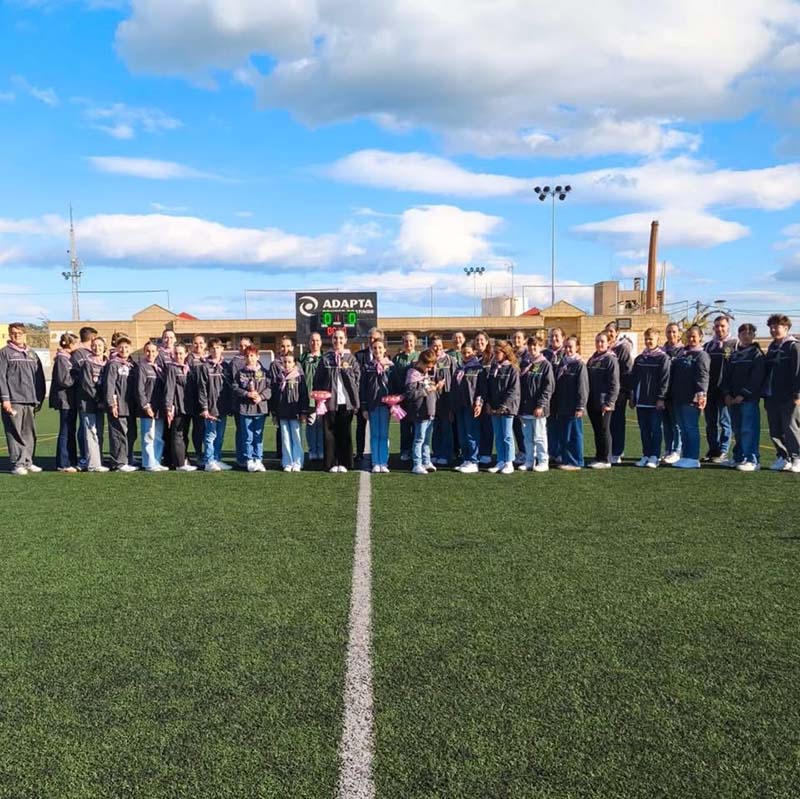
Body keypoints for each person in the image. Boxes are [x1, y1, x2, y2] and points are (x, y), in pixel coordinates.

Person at [0, 322, 46, 475]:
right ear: (9, 334)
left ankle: (28, 461)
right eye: (13, 333)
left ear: (24, 334)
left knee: (29, 432)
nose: (16, 335)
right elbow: (1, 377)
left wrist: (39, 398)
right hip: (14, 400)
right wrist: (5, 399)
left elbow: (39, 378)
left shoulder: (32, 354)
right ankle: (17, 464)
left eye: (19, 333)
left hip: (30, 400)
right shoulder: (5, 353)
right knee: (15, 432)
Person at [313, 328, 361, 472]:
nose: (338, 341)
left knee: (345, 433)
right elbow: (318, 380)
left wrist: (345, 370)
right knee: (329, 434)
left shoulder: (351, 359)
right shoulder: (325, 359)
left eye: (340, 338)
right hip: (329, 402)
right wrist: (320, 397)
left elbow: (357, 379)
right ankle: (331, 463)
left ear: (345, 340)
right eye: (335, 338)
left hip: (346, 402)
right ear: (332, 340)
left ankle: (345, 463)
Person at [721, 323, 765, 472]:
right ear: (739, 335)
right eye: (744, 333)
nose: (747, 336)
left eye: (750, 333)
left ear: (754, 336)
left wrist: (743, 394)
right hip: (733, 399)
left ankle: (752, 459)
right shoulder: (734, 355)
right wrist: (727, 394)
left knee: (748, 429)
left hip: (748, 400)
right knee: (737, 430)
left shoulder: (756, 354)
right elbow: (726, 376)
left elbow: (756, 378)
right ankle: (738, 457)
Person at [667, 325, 710, 469]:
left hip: (691, 398)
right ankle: (686, 456)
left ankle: (693, 457)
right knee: (683, 429)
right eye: (689, 336)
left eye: (694, 336)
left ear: (700, 337)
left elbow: (703, 376)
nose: (691, 339)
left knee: (691, 428)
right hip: (678, 397)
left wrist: (702, 394)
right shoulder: (682, 353)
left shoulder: (702, 355)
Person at [763, 314, 800, 472]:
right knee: (775, 429)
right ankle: (783, 457)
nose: (773, 330)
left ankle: (797, 457)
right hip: (772, 395)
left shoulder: (793, 346)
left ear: (786, 328)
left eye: (776, 326)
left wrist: (797, 393)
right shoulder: (772, 347)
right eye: (771, 327)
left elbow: (798, 371)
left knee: (791, 426)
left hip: (789, 395)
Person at [630, 328, 670, 468]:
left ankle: (655, 456)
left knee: (655, 429)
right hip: (641, 401)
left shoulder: (663, 358)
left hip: (655, 401)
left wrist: (661, 398)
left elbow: (665, 380)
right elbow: (634, 379)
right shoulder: (640, 359)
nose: (648, 341)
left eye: (651, 339)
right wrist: (632, 396)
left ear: (657, 339)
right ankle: (646, 455)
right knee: (644, 430)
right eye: (646, 339)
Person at [702, 315, 737, 463]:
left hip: (725, 391)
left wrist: (730, 390)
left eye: (722, 326)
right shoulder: (708, 346)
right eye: (717, 326)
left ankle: (723, 451)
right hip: (709, 390)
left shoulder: (734, 344)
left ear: (728, 327)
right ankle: (713, 450)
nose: (719, 329)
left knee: (725, 422)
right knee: (710, 423)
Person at [359, 337, 396, 473]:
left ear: (385, 349)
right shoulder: (367, 367)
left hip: (386, 405)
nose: (377, 350)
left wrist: (394, 404)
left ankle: (383, 462)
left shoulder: (391, 366)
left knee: (384, 434)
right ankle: (375, 462)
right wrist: (364, 408)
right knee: (375, 435)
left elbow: (395, 386)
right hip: (372, 405)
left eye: (380, 347)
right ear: (371, 350)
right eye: (375, 348)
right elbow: (363, 388)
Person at [518, 336, 554, 472]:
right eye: (530, 346)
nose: (532, 349)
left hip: (538, 408)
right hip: (525, 408)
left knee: (539, 436)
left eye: (535, 346)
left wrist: (541, 405)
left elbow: (548, 387)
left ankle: (543, 461)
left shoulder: (545, 365)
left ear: (540, 347)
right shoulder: (524, 364)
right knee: (527, 437)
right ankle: (529, 461)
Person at [197, 337, 234, 472]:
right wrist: (204, 407)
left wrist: (229, 405)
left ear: (222, 349)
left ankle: (217, 459)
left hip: (222, 407)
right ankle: (209, 461)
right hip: (210, 408)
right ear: (209, 350)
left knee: (220, 435)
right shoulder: (205, 367)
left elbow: (230, 387)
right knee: (210, 435)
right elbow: (202, 389)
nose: (215, 350)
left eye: (218, 348)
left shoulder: (226, 366)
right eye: (213, 348)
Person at [234, 344, 272, 472]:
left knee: (258, 436)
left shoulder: (264, 372)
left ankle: (258, 460)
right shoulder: (240, 373)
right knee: (248, 436)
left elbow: (270, 388)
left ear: (257, 357)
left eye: (252, 355)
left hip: (260, 409)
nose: (250, 358)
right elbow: (235, 388)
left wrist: (261, 397)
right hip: (245, 409)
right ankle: (249, 460)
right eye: (247, 356)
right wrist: (247, 394)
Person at [552, 336, 588, 471]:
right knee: (564, 434)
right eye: (566, 347)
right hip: (562, 405)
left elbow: (582, 387)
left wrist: (580, 406)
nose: (568, 349)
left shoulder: (579, 365)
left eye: (570, 347)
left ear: (577, 347)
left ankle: (576, 461)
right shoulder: (562, 363)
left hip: (573, 406)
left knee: (574, 434)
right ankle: (566, 459)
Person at [104, 335, 138, 472]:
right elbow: (109, 385)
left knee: (131, 433)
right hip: (119, 406)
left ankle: (128, 457)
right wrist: (112, 404)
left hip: (131, 406)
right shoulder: (113, 364)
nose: (124, 350)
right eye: (121, 347)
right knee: (118, 434)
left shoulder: (132, 365)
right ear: (117, 349)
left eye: (126, 347)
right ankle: (119, 462)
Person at [585, 332, 619, 469]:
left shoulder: (610, 359)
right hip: (592, 401)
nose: (599, 344)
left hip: (604, 402)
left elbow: (614, 383)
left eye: (602, 341)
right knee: (597, 430)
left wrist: (609, 402)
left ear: (608, 343)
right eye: (597, 341)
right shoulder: (592, 359)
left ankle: (606, 459)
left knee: (604, 429)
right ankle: (599, 456)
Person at [486, 341, 520, 474]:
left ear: (505, 353)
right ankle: (500, 460)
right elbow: (489, 387)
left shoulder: (512, 368)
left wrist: (504, 405)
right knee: (498, 435)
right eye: (494, 352)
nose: (495, 355)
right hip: (494, 407)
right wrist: (489, 403)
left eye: (497, 352)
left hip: (507, 408)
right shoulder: (494, 367)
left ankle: (509, 461)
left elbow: (514, 390)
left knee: (507, 435)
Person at [164, 343, 199, 471]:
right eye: (176, 353)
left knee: (184, 434)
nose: (178, 356)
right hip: (177, 407)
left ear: (186, 354)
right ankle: (179, 464)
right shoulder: (172, 368)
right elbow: (169, 388)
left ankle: (183, 458)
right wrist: (169, 407)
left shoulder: (188, 368)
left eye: (181, 353)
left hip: (188, 407)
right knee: (177, 435)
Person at [452, 341, 486, 473]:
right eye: (464, 353)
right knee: (462, 433)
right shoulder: (459, 368)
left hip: (471, 405)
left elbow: (481, 388)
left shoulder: (478, 368)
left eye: (469, 353)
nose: (466, 355)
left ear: (474, 353)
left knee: (472, 433)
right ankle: (466, 459)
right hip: (459, 405)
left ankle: (473, 460)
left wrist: (479, 403)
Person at [405, 349, 440, 475]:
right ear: (421, 362)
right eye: (428, 366)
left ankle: (426, 461)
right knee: (419, 439)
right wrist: (426, 391)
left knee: (426, 440)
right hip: (420, 411)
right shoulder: (413, 374)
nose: (429, 369)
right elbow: (410, 394)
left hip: (430, 410)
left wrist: (436, 387)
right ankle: (417, 464)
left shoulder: (426, 374)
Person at [77, 335, 109, 472]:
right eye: (94, 345)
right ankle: (93, 464)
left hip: (101, 405)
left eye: (100, 345)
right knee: (91, 433)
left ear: (104, 347)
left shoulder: (107, 363)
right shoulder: (87, 363)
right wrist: (98, 400)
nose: (97, 348)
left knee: (99, 433)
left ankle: (98, 459)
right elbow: (87, 385)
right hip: (89, 404)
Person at [274, 351, 309, 472]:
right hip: (282, 412)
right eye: (284, 362)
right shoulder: (279, 377)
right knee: (285, 438)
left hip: (295, 412)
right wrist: (275, 413)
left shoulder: (299, 376)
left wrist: (303, 412)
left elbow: (304, 395)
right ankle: (287, 462)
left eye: (289, 362)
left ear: (294, 363)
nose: (287, 364)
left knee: (296, 437)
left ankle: (298, 462)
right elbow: (275, 396)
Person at [50, 331, 79, 473]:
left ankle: (71, 460)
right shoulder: (62, 359)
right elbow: (64, 381)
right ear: (70, 344)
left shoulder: (68, 358)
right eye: (76, 343)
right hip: (65, 400)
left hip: (70, 400)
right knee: (66, 431)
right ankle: (63, 463)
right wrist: (77, 376)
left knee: (70, 430)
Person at [604, 322, 633, 464]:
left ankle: (617, 452)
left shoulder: (622, 349)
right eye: (607, 331)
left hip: (619, 393)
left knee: (618, 422)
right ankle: (608, 451)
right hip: (606, 393)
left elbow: (627, 371)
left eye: (611, 331)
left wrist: (627, 392)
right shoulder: (604, 348)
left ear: (617, 333)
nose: (609, 334)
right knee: (607, 424)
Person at [137, 341, 168, 472]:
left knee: (158, 436)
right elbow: (140, 389)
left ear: (157, 352)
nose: (151, 354)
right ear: (144, 352)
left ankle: (156, 460)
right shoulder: (142, 367)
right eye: (148, 351)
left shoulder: (160, 367)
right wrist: (145, 405)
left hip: (159, 407)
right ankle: (148, 463)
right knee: (148, 436)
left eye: (153, 351)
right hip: (148, 407)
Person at [354, 328, 383, 463]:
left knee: (379, 429)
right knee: (361, 426)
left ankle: (379, 455)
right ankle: (360, 453)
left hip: (378, 399)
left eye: (375, 338)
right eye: (370, 338)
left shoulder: (386, 359)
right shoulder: (359, 356)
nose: (372, 340)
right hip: (363, 396)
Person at [71, 325, 97, 470]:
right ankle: (83, 457)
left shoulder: (90, 353)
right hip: (84, 397)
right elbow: (79, 376)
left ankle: (93, 456)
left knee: (91, 428)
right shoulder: (79, 354)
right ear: (92, 338)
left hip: (94, 396)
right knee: (84, 428)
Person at [393, 331, 419, 461]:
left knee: (416, 426)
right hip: (401, 398)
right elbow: (393, 377)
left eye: (411, 341)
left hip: (416, 398)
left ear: (415, 342)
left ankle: (416, 451)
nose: (408, 343)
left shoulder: (420, 356)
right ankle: (405, 450)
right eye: (406, 341)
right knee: (404, 426)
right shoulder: (397, 358)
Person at [430, 335, 456, 465]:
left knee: (446, 427)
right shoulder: (429, 359)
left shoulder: (450, 360)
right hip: (433, 399)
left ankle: (446, 454)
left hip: (446, 398)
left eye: (439, 345)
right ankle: (436, 452)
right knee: (435, 427)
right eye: (435, 345)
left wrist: (445, 382)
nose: (437, 348)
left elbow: (455, 379)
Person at [661, 322, 684, 464]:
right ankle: (668, 450)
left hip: (677, 393)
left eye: (674, 332)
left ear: (679, 334)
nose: (671, 334)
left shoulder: (684, 351)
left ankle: (677, 450)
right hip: (663, 394)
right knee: (666, 424)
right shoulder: (661, 351)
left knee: (676, 424)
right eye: (669, 332)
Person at [300, 332, 324, 462]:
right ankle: (312, 450)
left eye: (317, 340)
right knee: (311, 424)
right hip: (309, 398)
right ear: (309, 343)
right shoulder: (303, 358)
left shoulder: (325, 358)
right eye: (312, 340)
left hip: (323, 399)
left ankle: (321, 450)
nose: (315, 343)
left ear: (321, 342)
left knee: (321, 424)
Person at [231, 336, 254, 467]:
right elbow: (235, 384)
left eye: (246, 345)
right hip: (240, 403)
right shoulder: (235, 363)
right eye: (241, 346)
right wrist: (247, 393)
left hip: (253, 404)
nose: (243, 348)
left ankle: (253, 456)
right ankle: (241, 458)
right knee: (241, 430)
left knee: (252, 431)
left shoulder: (255, 361)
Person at [543, 327, 565, 462]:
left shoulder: (567, 352)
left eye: (557, 336)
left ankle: (562, 452)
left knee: (562, 424)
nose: (554, 339)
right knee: (550, 424)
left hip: (563, 395)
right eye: (552, 336)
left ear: (563, 338)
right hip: (548, 395)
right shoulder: (544, 354)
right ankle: (552, 451)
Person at [475, 330, 494, 464]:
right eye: (477, 340)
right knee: (478, 427)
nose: (479, 342)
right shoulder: (476, 358)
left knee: (487, 427)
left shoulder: (492, 358)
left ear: (487, 342)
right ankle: (479, 452)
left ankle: (486, 453)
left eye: (482, 340)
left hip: (489, 399)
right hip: (477, 398)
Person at [187, 334, 207, 462]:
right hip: (193, 400)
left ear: (205, 345)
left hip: (208, 400)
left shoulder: (209, 359)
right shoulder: (189, 359)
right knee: (198, 428)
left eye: (201, 343)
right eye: (195, 343)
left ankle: (210, 454)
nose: (198, 345)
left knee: (208, 429)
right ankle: (198, 453)